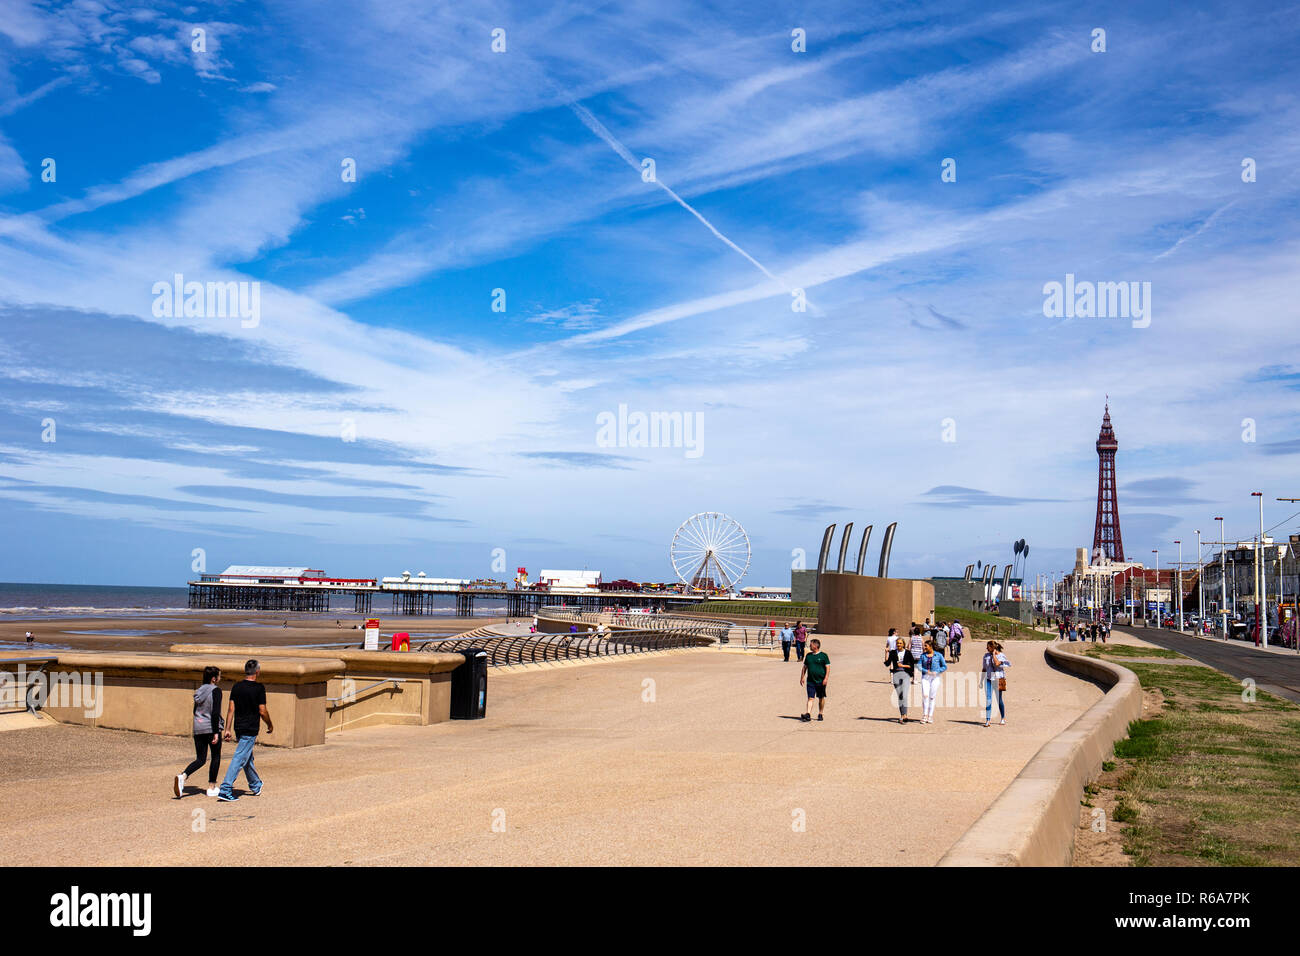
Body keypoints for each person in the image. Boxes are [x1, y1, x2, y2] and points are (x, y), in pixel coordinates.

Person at [218, 659, 273, 802]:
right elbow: (262, 711)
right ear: (257, 672)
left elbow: (231, 709)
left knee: (246, 757)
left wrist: (228, 729)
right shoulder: (259, 688)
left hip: (239, 727)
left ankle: (255, 784)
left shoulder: (237, 687)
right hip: (250, 727)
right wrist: (270, 724)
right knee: (240, 757)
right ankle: (225, 789)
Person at [174, 665, 223, 798]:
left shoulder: (199, 691)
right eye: (219, 675)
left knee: (200, 759)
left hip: (198, 727)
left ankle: (183, 776)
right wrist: (216, 732)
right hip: (211, 727)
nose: (220, 678)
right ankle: (212, 787)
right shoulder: (216, 691)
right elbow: (215, 713)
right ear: (214, 679)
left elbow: (195, 711)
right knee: (215, 756)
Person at [884, 635, 915, 723]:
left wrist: (903, 666)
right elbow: (887, 663)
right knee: (900, 696)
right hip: (896, 674)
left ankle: (904, 715)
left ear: (903, 644)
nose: (899, 644)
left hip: (905, 674)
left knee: (904, 695)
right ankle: (902, 715)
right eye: (897, 643)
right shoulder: (893, 652)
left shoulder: (908, 653)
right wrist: (886, 653)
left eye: (900, 643)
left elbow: (912, 665)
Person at [916, 639, 948, 724]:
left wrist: (937, 671)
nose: (924, 647)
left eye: (926, 646)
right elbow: (918, 666)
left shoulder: (939, 655)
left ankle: (930, 716)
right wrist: (926, 671)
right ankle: (924, 715)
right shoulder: (923, 656)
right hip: (925, 677)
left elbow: (944, 666)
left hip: (935, 677)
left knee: (932, 697)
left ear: (930, 646)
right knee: (925, 695)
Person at [979, 641, 1010, 727]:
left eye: (988, 647)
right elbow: (984, 669)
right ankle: (988, 720)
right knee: (988, 700)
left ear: (992, 648)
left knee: (999, 700)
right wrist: (981, 680)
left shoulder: (1001, 656)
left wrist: (993, 655)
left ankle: (1003, 718)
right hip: (989, 679)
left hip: (998, 679)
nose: (986, 648)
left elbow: (997, 663)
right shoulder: (985, 656)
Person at [799, 638, 830, 721]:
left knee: (821, 698)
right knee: (810, 698)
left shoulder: (824, 656)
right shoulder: (808, 656)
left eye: (811, 644)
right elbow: (804, 667)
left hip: (821, 681)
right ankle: (808, 714)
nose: (810, 646)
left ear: (816, 646)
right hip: (810, 681)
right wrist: (802, 677)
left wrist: (826, 678)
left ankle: (820, 713)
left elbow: (827, 667)